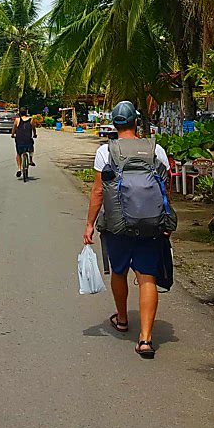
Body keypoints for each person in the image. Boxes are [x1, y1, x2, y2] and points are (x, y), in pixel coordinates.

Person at [83, 100, 171, 358]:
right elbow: (165, 190)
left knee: (119, 272)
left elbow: (98, 192)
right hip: (151, 224)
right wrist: (165, 220)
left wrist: (89, 224)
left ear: (115, 124)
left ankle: (122, 319)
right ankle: (145, 339)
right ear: (136, 122)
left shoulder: (105, 152)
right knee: (147, 277)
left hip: (117, 224)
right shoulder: (157, 150)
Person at [10, 106, 35, 178]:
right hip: (28, 139)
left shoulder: (17, 120)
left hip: (19, 139)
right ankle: (30, 160)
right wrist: (35, 135)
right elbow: (33, 129)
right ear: (26, 112)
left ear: (19, 113)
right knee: (31, 148)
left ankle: (19, 169)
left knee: (18, 154)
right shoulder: (31, 120)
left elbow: (14, 128)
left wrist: (12, 135)